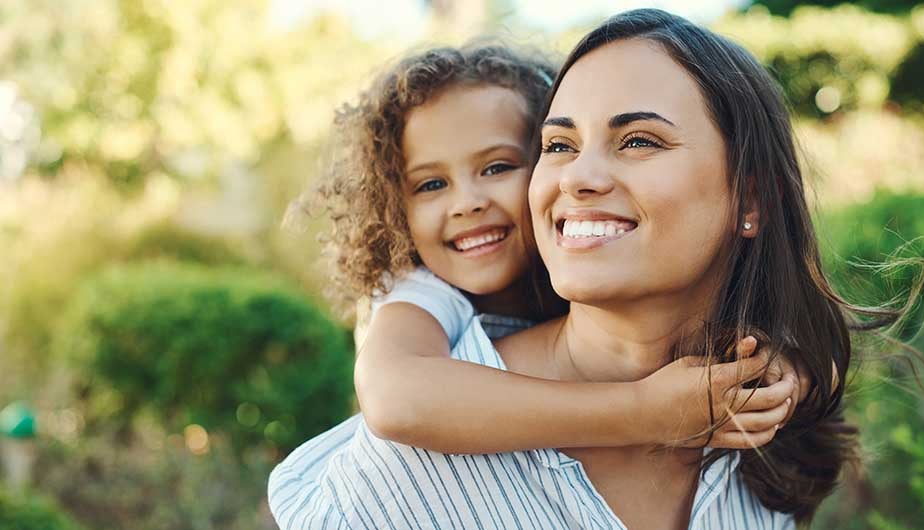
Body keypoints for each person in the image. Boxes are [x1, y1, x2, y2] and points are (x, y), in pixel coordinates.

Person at [270, 19, 836, 528]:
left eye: (638, 140)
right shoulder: (420, 339)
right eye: (560, 144)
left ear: (752, 198)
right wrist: (646, 412)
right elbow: (395, 398)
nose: (576, 178)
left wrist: (787, 374)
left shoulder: (750, 423)